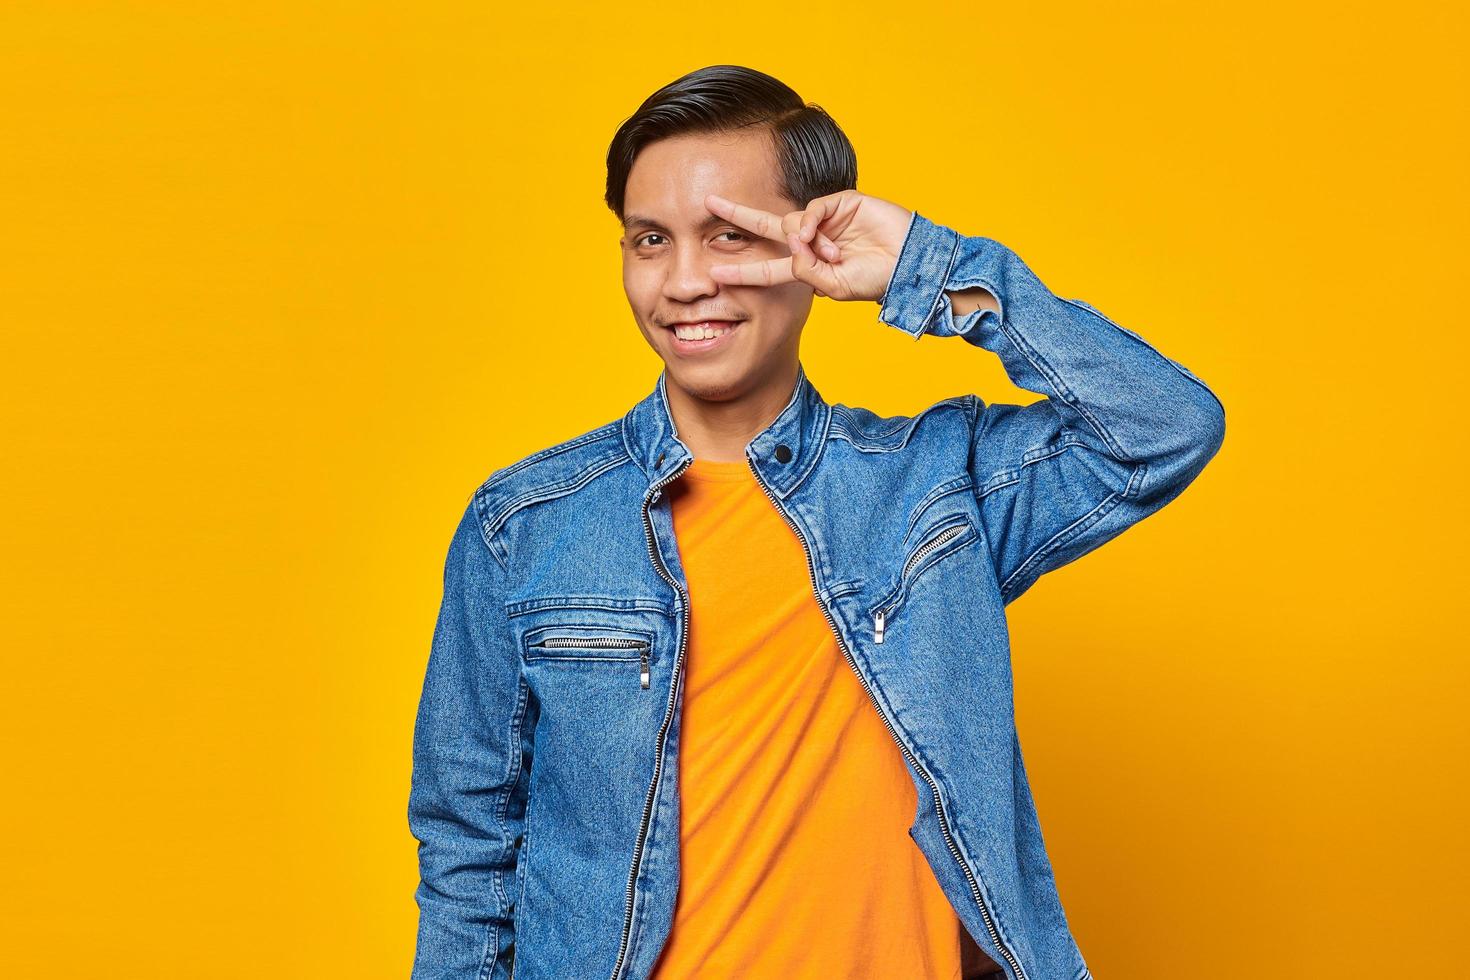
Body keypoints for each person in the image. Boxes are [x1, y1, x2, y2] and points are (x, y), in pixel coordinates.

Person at [408, 65, 1225, 980]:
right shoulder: (524, 523)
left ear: (813, 245)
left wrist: (925, 268)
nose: (683, 282)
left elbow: (1165, 426)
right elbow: (467, 853)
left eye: (728, 236)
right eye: (649, 240)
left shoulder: (932, 487)